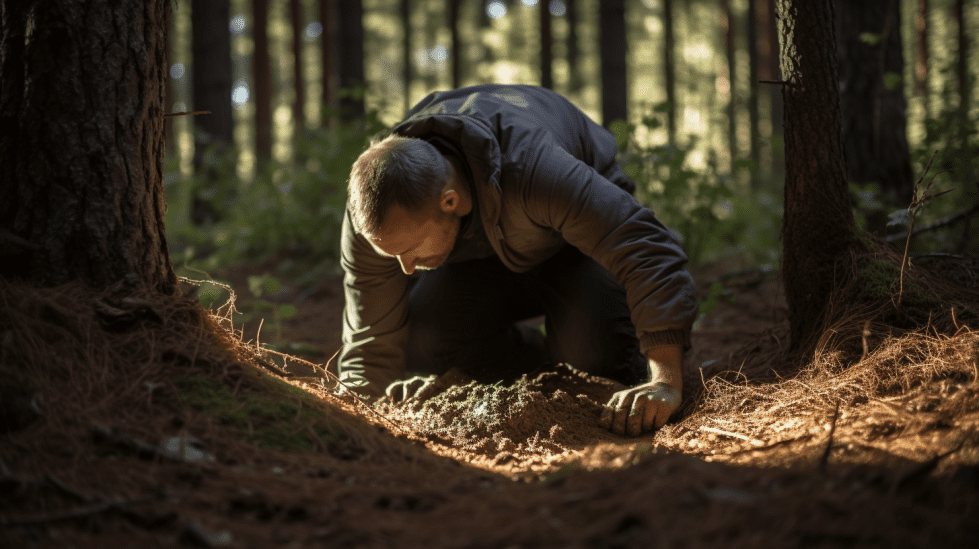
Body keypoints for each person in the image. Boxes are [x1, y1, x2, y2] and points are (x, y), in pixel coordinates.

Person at [338, 84, 698, 437]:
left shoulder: (535, 168)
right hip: (484, 255)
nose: (406, 268)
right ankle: (542, 362)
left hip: (579, 248)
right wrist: (355, 410)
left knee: (593, 362)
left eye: (411, 249)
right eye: (393, 255)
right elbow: (371, 329)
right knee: (422, 339)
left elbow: (645, 247)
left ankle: (580, 354)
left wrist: (666, 381)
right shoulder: (376, 212)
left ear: (450, 201)